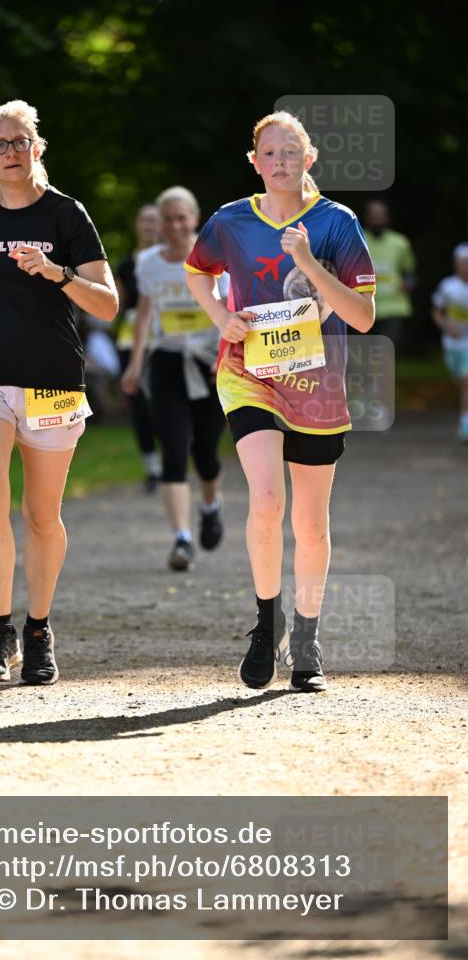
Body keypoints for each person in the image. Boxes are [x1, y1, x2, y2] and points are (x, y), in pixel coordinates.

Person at [185, 111, 376, 693]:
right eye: (269, 153)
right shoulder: (230, 221)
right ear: (254, 163)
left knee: (310, 524)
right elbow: (197, 272)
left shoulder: (335, 223)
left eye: (291, 152)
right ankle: (266, 625)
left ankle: (308, 640)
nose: (280, 162)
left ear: (309, 159)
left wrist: (309, 262)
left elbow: (363, 317)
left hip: (318, 388)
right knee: (267, 500)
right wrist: (222, 317)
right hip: (250, 375)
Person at [0, 99, 118, 685]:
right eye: (0, 144)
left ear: (38, 148)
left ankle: (38, 629)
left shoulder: (66, 215)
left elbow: (108, 302)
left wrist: (56, 273)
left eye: (21, 142)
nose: (11, 152)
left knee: (41, 514)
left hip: (51, 380)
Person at [122, 187, 228, 571]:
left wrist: (227, 357)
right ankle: (182, 539)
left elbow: (232, 311)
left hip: (211, 364)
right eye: (168, 218)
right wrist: (135, 364)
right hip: (166, 362)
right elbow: (145, 312)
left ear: (195, 218)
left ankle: (211, 506)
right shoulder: (148, 262)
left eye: (182, 217)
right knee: (172, 449)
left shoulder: (216, 257)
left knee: (205, 455)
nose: (175, 225)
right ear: (160, 223)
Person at [115, 203, 162, 491]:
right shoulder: (125, 264)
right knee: (139, 405)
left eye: (154, 221)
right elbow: (116, 305)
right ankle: (152, 468)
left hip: (164, 339)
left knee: (164, 403)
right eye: (144, 221)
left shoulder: (172, 260)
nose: (149, 226)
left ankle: (173, 463)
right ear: (137, 225)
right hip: (130, 339)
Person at [362, 199, 415, 350]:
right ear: (367, 218)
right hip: (363, 306)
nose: (377, 220)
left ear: (387, 218)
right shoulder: (358, 239)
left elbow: (410, 272)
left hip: (393, 306)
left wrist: (408, 283)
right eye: (373, 216)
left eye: (381, 216)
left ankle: (385, 373)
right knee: (365, 352)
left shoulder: (400, 243)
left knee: (387, 349)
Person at [431, 242, 468, 442]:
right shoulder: (448, 286)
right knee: (459, 380)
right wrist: (446, 327)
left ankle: (465, 424)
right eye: (463, 262)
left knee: (466, 381)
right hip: (451, 344)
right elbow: (436, 312)